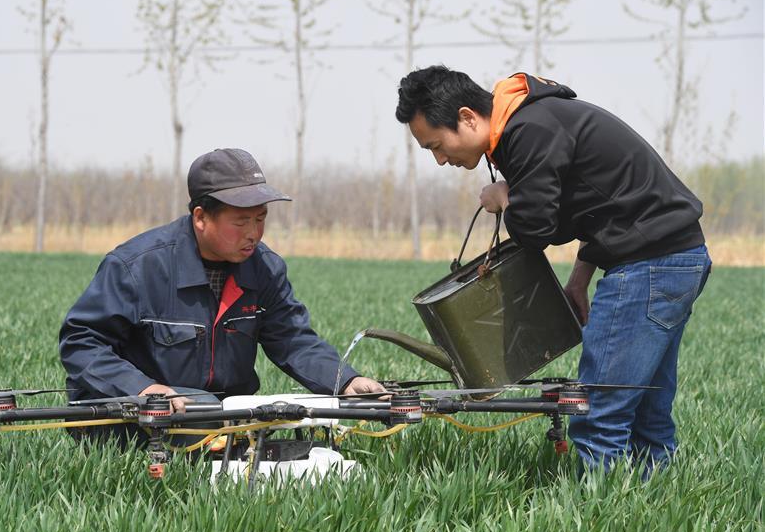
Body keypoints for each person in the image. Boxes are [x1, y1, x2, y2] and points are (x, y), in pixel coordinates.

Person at [395, 66, 712, 474]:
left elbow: (534, 230)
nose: (440, 160)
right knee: (645, 411)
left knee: (597, 414)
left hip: (648, 266)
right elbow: (602, 206)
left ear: (468, 117)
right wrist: (579, 280)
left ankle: (599, 523)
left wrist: (505, 197)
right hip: (672, 258)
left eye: (436, 145)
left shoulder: (529, 130)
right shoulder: (532, 122)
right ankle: (652, 504)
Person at [60, 148, 385, 448]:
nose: (254, 233)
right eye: (241, 221)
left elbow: (293, 340)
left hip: (225, 422)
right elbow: (81, 342)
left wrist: (344, 381)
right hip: (140, 423)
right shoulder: (137, 267)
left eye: (260, 219)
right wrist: (143, 389)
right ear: (201, 217)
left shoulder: (264, 269)